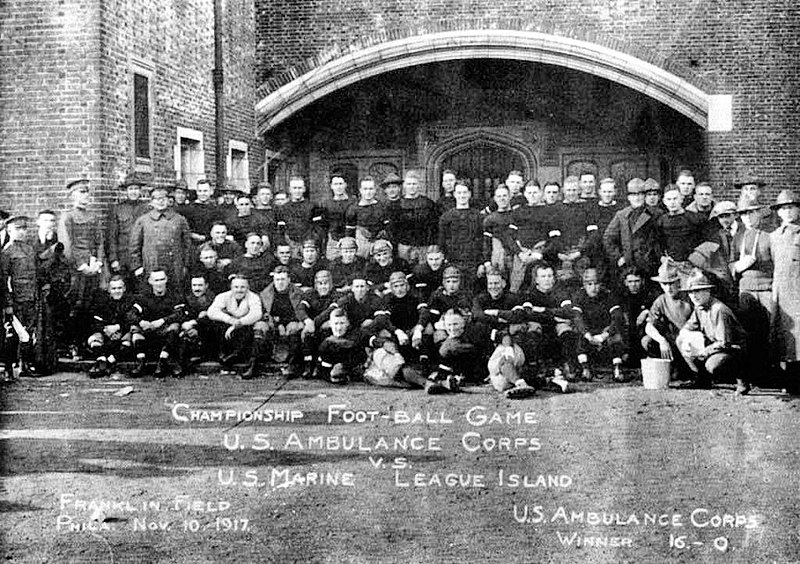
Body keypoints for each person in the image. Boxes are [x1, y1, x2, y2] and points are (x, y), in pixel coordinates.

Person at [677, 270, 749, 394]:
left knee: (713, 365)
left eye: (698, 291)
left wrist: (704, 352)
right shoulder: (699, 307)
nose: (694, 296)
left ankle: (742, 381)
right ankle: (702, 380)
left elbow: (724, 343)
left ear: (708, 291)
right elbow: (687, 328)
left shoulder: (719, 310)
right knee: (681, 340)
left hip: (734, 349)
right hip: (715, 345)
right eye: (691, 292)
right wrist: (685, 339)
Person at [58, 179, 105, 356]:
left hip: (93, 266)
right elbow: (67, 245)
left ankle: (86, 342)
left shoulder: (93, 217)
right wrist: (81, 266)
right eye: (80, 193)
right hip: (76, 269)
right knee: (75, 305)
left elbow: (99, 242)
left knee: (89, 303)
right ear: (72, 196)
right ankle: (72, 344)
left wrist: (97, 262)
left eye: (86, 193)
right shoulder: (67, 217)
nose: (84, 197)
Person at [731, 201, 773, 383]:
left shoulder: (769, 235)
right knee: (747, 331)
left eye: (751, 212)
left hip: (766, 287)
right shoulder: (738, 237)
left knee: (769, 330)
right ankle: (751, 376)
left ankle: (772, 375)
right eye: (743, 214)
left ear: (759, 213)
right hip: (746, 288)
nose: (747, 217)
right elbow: (731, 263)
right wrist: (738, 266)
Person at [129, 185, 192, 292]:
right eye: (157, 199)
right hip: (151, 266)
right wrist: (137, 266)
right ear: (151, 202)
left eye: (163, 198)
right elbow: (134, 246)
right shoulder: (143, 221)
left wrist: (185, 265)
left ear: (169, 200)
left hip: (174, 267)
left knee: (175, 294)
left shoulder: (179, 220)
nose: (160, 201)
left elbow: (187, 245)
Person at [769, 189, 800, 394]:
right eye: (783, 208)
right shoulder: (774, 236)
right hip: (780, 292)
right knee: (783, 336)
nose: (787, 212)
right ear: (778, 213)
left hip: (798, 291)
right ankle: (788, 381)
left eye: (791, 208)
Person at [128, 269, 185, 378]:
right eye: (156, 280)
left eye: (162, 279)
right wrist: (141, 322)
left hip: (166, 334)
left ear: (166, 280)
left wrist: (162, 321)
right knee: (134, 328)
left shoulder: (174, 296)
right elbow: (131, 314)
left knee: (175, 326)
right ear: (150, 281)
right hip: (148, 332)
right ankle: (141, 362)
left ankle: (162, 362)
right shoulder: (143, 297)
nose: (159, 283)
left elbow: (179, 314)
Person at [0, 216, 39, 377]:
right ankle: (8, 368)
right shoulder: (6, 252)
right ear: (9, 231)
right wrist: (8, 304)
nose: (22, 232)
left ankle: (25, 365)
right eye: (18, 229)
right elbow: (4, 281)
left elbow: (34, 275)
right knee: (13, 334)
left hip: (30, 297)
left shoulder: (30, 250)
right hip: (15, 299)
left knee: (29, 332)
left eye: (24, 228)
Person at [572, 268, 626, 381]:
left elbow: (617, 317)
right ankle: (585, 368)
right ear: (584, 285)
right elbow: (577, 318)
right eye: (589, 284)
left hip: (604, 331)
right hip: (588, 331)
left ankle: (617, 368)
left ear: (601, 284)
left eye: (596, 283)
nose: (593, 287)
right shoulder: (579, 296)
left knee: (616, 335)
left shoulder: (608, 295)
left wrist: (605, 334)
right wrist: (587, 334)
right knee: (578, 334)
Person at [207, 274, 265, 379]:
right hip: (229, 328)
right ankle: (223, 355)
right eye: (236, 287)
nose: (239, 290)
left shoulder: (253, 297)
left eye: (242, 287)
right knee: (213, 323)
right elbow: (211, 311)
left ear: (247, 288)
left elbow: (256, 314)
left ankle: (240, 358)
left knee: (255, 329)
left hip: (245, 328)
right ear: (231, 288)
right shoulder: (223, 296)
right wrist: (230, 320)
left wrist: (239, 323)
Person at [642, 263, 694, 380]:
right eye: (665, 284)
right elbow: (649, 326)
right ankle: (670, 366)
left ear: (678, 283)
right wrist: (662, 341)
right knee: (647, 341)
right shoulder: (661, 301)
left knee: (688, 374)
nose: (668, 288)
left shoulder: (689, 298)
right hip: (672, 344)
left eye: (672, 284)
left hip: (689, 343)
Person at [602, 177, 661, 278]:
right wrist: (619, 257)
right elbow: (608, 238)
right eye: (633, 195)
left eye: (640, 194)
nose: (637, 198)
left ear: (644, 196)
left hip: (650, 264)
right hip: (629, 265)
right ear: (628, 197)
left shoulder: (656, 214)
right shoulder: (622, 215)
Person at [257, 266, 305, 377]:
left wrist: (290, 324)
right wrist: (276, 324)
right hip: (272, 322)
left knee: (294, 328)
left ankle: (292, 365)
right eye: (277, 280)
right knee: (259, 327)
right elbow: (263, 313)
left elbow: (300, 312)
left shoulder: (298, 293)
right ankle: (255, 363)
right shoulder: (265, 293)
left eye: (283, 279)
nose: (280, 283)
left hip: (292, 322)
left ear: (289, 280)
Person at [85, 275, 136, 378]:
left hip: (122, 334)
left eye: (119, 288)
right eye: (114, 288)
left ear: (124, 288)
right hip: (107, 335)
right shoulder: (103, 303)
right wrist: (105, 330)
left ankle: (109, 362)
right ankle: (102, 360)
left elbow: (133, 319)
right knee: (94, 339)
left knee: (128, 340)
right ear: (109, 290)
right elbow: (96, 320)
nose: (117, 291)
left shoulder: (130, 302)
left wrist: (118, 327)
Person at [438, 181, 484, 292]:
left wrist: (482, 263)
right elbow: (442, 240)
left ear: (469, 194)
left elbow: (483, 241)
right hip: (454, 261)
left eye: (464, 192)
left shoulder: (478, 216)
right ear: (454, 194)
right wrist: (446, 260)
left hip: (473, 262)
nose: (462, 195)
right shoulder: (447, 216)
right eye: (459, 193)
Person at [106, 173, 148, 285]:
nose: (133, 192)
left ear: (140, 191)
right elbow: (112, 236)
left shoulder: (147, 209)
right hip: (123, 256)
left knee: (142, 287)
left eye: (136, 189)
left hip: (142, 256)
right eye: (131, 189)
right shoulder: (117, 209)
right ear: (126, 191)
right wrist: (114, 259)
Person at [396, 170, 437, 264]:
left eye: (414, 183)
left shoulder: (428, 203)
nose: (411, 186)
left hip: (423, 246)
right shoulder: (398, 204)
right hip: (404, 246)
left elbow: (434, 226)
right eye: (409, 184)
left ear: (419, 185)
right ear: (404, 185)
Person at [345, 176, 388, 259]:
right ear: (360, 190)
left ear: (375, 190)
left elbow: (388, 227)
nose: (368, 192)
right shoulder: (353, 208)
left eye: (371, 189)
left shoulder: (382, 206)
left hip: (379, 242)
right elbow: (349, 232)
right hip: (361, 244)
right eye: (365, 189)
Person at [276, 176, 319, 257]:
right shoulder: (283, 208)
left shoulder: (312, 206)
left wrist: (312, 242)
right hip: (290, 245)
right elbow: (281, 231)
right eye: (294, 188)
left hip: (308, 245)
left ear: (304, 189)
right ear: (290, 189)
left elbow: (317, 228)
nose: (297, 191)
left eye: (299, 188)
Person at [319, 172, 354, 260]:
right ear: (331, 186)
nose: (338, 187)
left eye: (340, 184)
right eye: (335, 184)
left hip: (350, 239)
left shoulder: (353, 202)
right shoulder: (326, 204)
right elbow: (324, 226)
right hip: (333, 240)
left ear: (345, 185)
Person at [182, 179, 221, 244]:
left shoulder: (216, 210)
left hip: (210, 243)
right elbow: (184, 227)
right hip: (192, 243)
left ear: (211, 192)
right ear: (197, 192)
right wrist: (192, 235)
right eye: (200, 191)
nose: (202, 193)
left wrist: (206, 237)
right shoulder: (188, 208)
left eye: (205, 191)